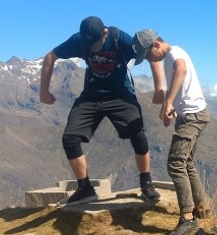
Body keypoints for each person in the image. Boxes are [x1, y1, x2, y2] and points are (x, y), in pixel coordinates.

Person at [39, 16, 160, 205]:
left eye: (96, 45)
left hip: (120, 94)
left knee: (137, 134)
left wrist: (159, 89)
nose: (93, 50)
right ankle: (85, 189)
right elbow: (50, 57)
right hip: (91, 95)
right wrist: (43, 91)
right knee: (70, 139)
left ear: (105, 33)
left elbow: (149, 54)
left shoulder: (120, 39)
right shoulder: (78, 40)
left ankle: (146, 184)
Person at [132, 29, 211, 235]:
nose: (149, 60)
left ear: (156, 45)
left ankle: (188, 218)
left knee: (175, 163)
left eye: (148, 55)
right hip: (193, 114)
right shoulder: (170, 56)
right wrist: (170, 107)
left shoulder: (175, 53)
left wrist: (168, 102)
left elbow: (181, 70)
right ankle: (202, 208)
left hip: (192, 117)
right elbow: (182, 85)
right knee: (187, 163)